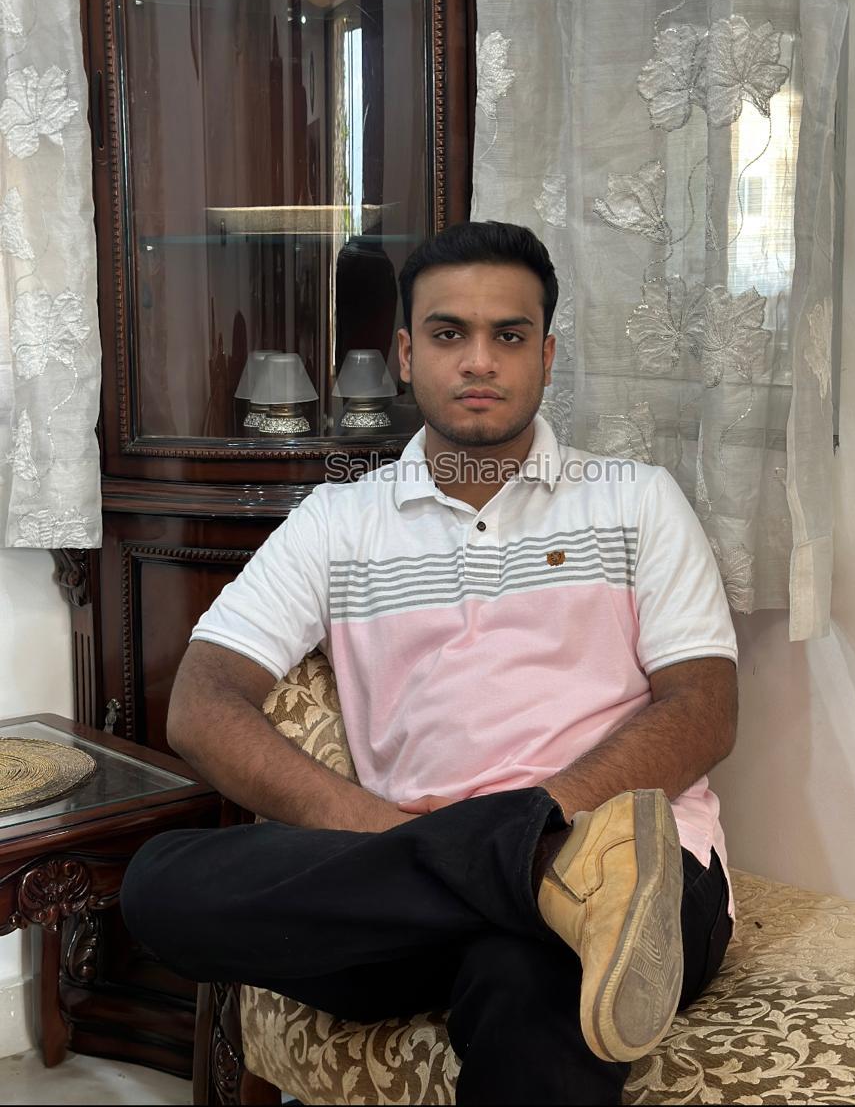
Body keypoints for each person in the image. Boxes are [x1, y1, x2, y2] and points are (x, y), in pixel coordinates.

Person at [121, 220, 739, 1106]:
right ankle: (523, 885)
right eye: (450, 334)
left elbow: (702, 710)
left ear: (546, 356)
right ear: (407, 355)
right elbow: (203, 703)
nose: (479, 361)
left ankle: (561, 887)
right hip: (398, 878)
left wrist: (540, 822)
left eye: (509, 336)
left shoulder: (636, 501)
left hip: (636, 877)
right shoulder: (338, 521)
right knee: (162, 883)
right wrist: (395, 837)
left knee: (527, 975)